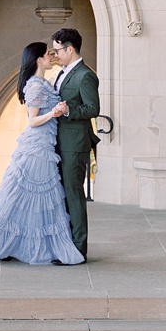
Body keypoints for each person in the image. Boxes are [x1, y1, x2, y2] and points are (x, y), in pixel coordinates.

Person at [0, 42, 85, 265]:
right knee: (23, 196)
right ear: (39, 59)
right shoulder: (36, 86)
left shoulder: (42, 82)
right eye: (48, 54)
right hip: (37, 147)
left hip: (45, 145)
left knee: (34, 198)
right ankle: (1, 241)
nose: (51, 57)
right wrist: (54, 114)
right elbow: (33, 121)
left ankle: (12, 243)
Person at [49, 26, 100, 260]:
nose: (55, 54)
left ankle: (78, 249)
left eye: (58, 50)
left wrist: (69, 110)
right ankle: (65, 243)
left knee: (74, 194)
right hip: (59, 141)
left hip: (75, 143)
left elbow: (93, 108)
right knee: (63, 194)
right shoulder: (63, 72)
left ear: (70, 49)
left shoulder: (86, 75)